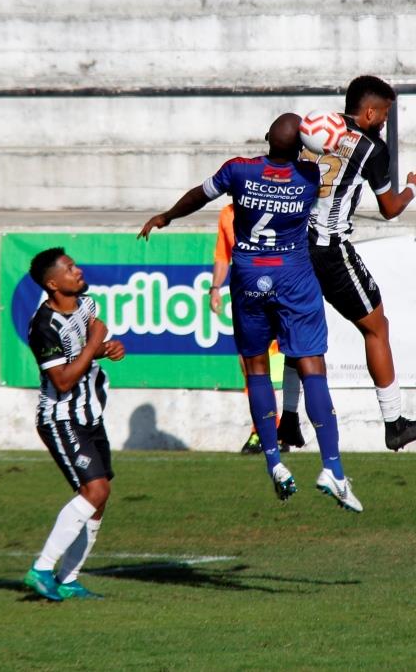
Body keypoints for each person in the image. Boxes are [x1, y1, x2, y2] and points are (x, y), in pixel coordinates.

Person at [140, 113, 362, 512]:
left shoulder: (238, 171)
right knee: (311, 364)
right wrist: (325, 143)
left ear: (265, 139)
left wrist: (166, 216)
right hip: (293, 277)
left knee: (256, 368)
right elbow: (335, 163)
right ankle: (332, 468)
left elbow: (199, 194)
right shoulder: (309, 177)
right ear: (303, 148)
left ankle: (274, 460)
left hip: (248, 276)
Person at [281, 75, 416, 452]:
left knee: (300, 330)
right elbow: (389, 209)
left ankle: (287, 420)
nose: (384, 120)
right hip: (330, 249)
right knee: (377, 327)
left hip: (293, 246)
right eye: (383, 113)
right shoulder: (372, 148)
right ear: (369, 111)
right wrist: (414, 186)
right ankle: (394, 424)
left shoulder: (317, 125)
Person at [22, 248, 126, 601]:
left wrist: (107, 347)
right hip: (61, 418)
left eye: (75, 265)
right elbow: (63, 380)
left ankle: (67, 579)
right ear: (53, 284)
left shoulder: (87, 306)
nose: (77, 271)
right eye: (69, 269)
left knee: (99, 498)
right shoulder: (42, 327)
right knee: (94, 491)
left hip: (90, 415)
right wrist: (96, 341)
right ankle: (41, 568)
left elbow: (81, 352)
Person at [208, 203, 293, 455]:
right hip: (246, 295)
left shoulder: (272, 207)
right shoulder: (227, 214)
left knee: (297, 360)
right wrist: (215, 288)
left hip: (278, 292)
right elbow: (223, 256)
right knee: (248, 364)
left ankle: (284, 428)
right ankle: (264, 430)